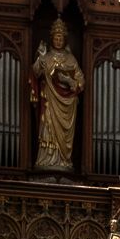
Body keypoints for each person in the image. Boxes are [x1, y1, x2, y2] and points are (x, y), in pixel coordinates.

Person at [31, 18, 84, 172]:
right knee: (47, 127)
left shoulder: (70, 58)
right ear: (52, 38)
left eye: (61, 37)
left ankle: (63, 160)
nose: (59, 40)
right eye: (56, 37)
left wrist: (69, 80)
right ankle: (46, 160)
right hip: (49, 99)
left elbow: (81, 81)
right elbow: (35, 73)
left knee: (65, 131)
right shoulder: (46, 57)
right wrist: (40, 57)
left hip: (66, 104)